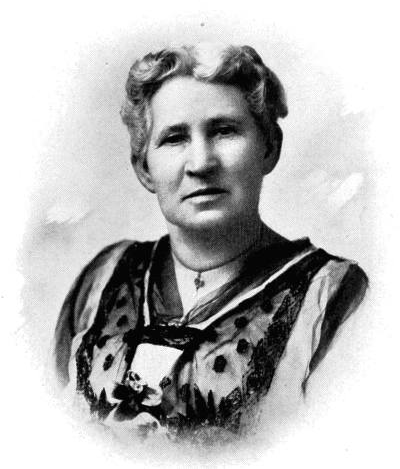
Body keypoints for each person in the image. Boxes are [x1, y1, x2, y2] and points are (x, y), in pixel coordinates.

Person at [53, 43, 368, 444]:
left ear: (269, 147)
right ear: (144, 168)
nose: (201, 163)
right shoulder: (103, 280)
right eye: (174, 138)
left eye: (224, 131)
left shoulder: (332, 296)